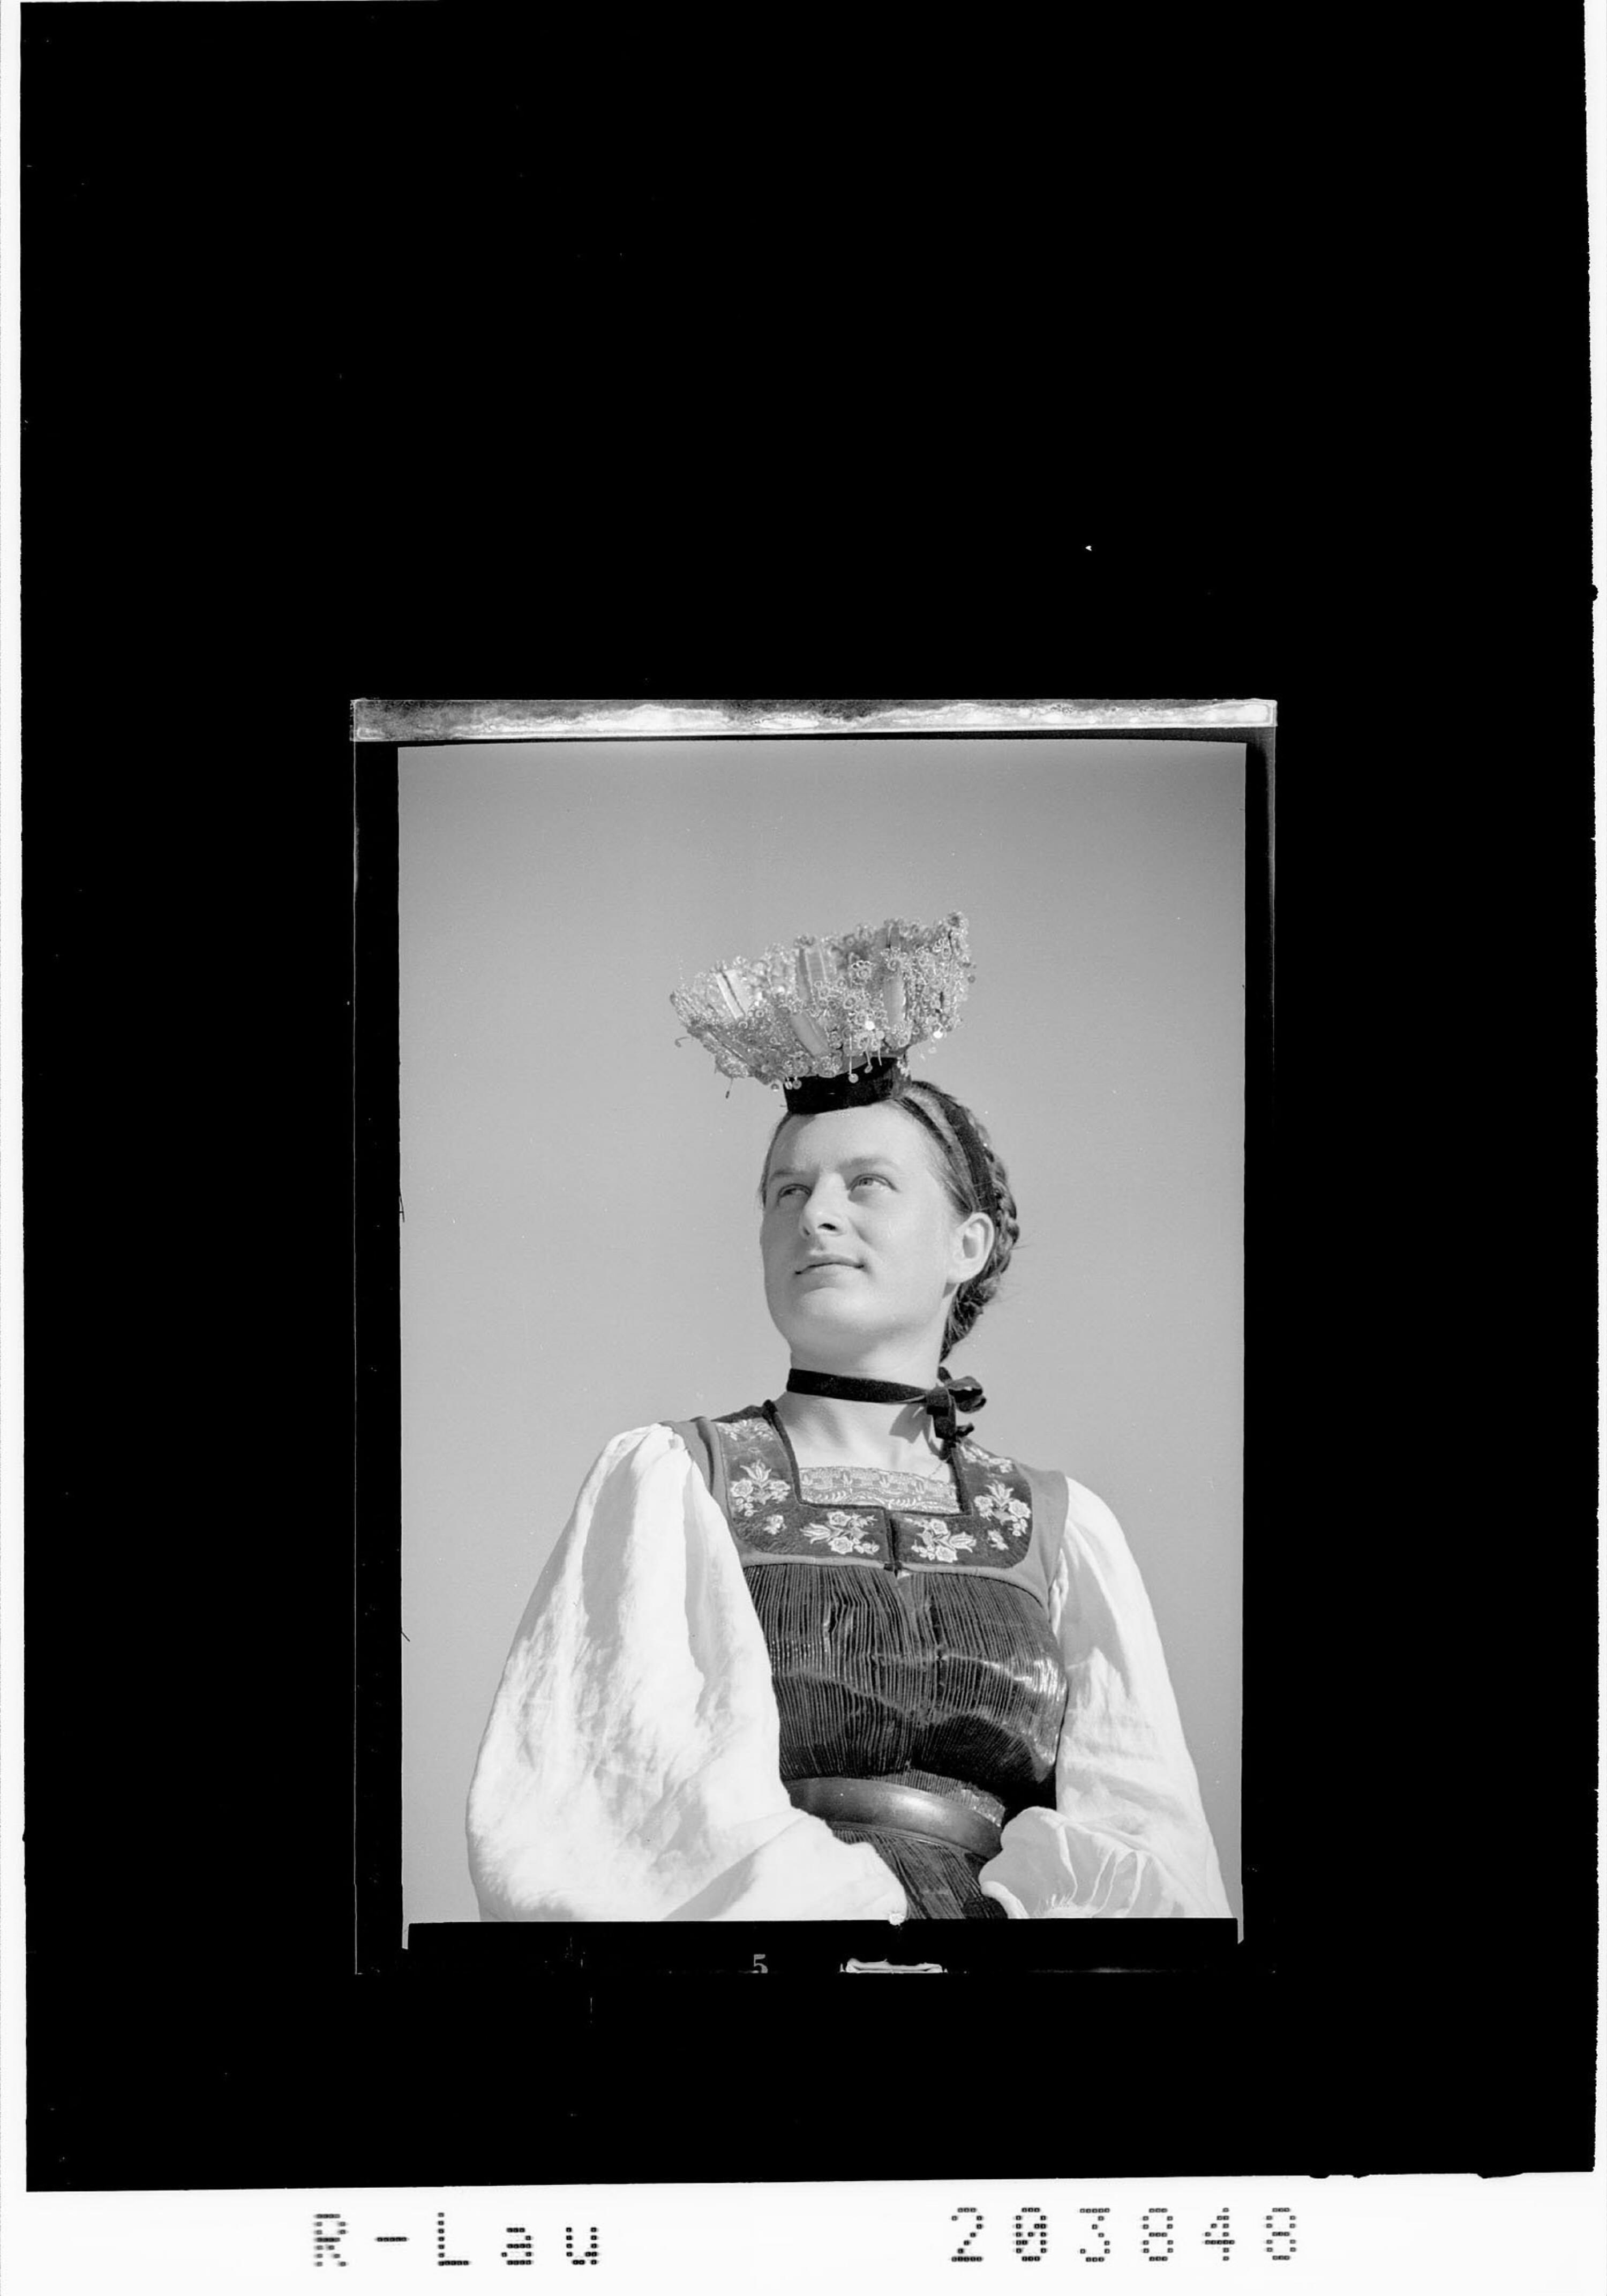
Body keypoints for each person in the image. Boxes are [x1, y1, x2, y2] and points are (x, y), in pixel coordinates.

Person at [467, 915, 1230, 1922]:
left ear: (967, 1243)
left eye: (867, 1183)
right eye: (788, 1190)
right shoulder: (677, 1484)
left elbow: (1146, 1842)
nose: (816, 1214)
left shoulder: (1062, 1528)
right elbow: (621, 1811)